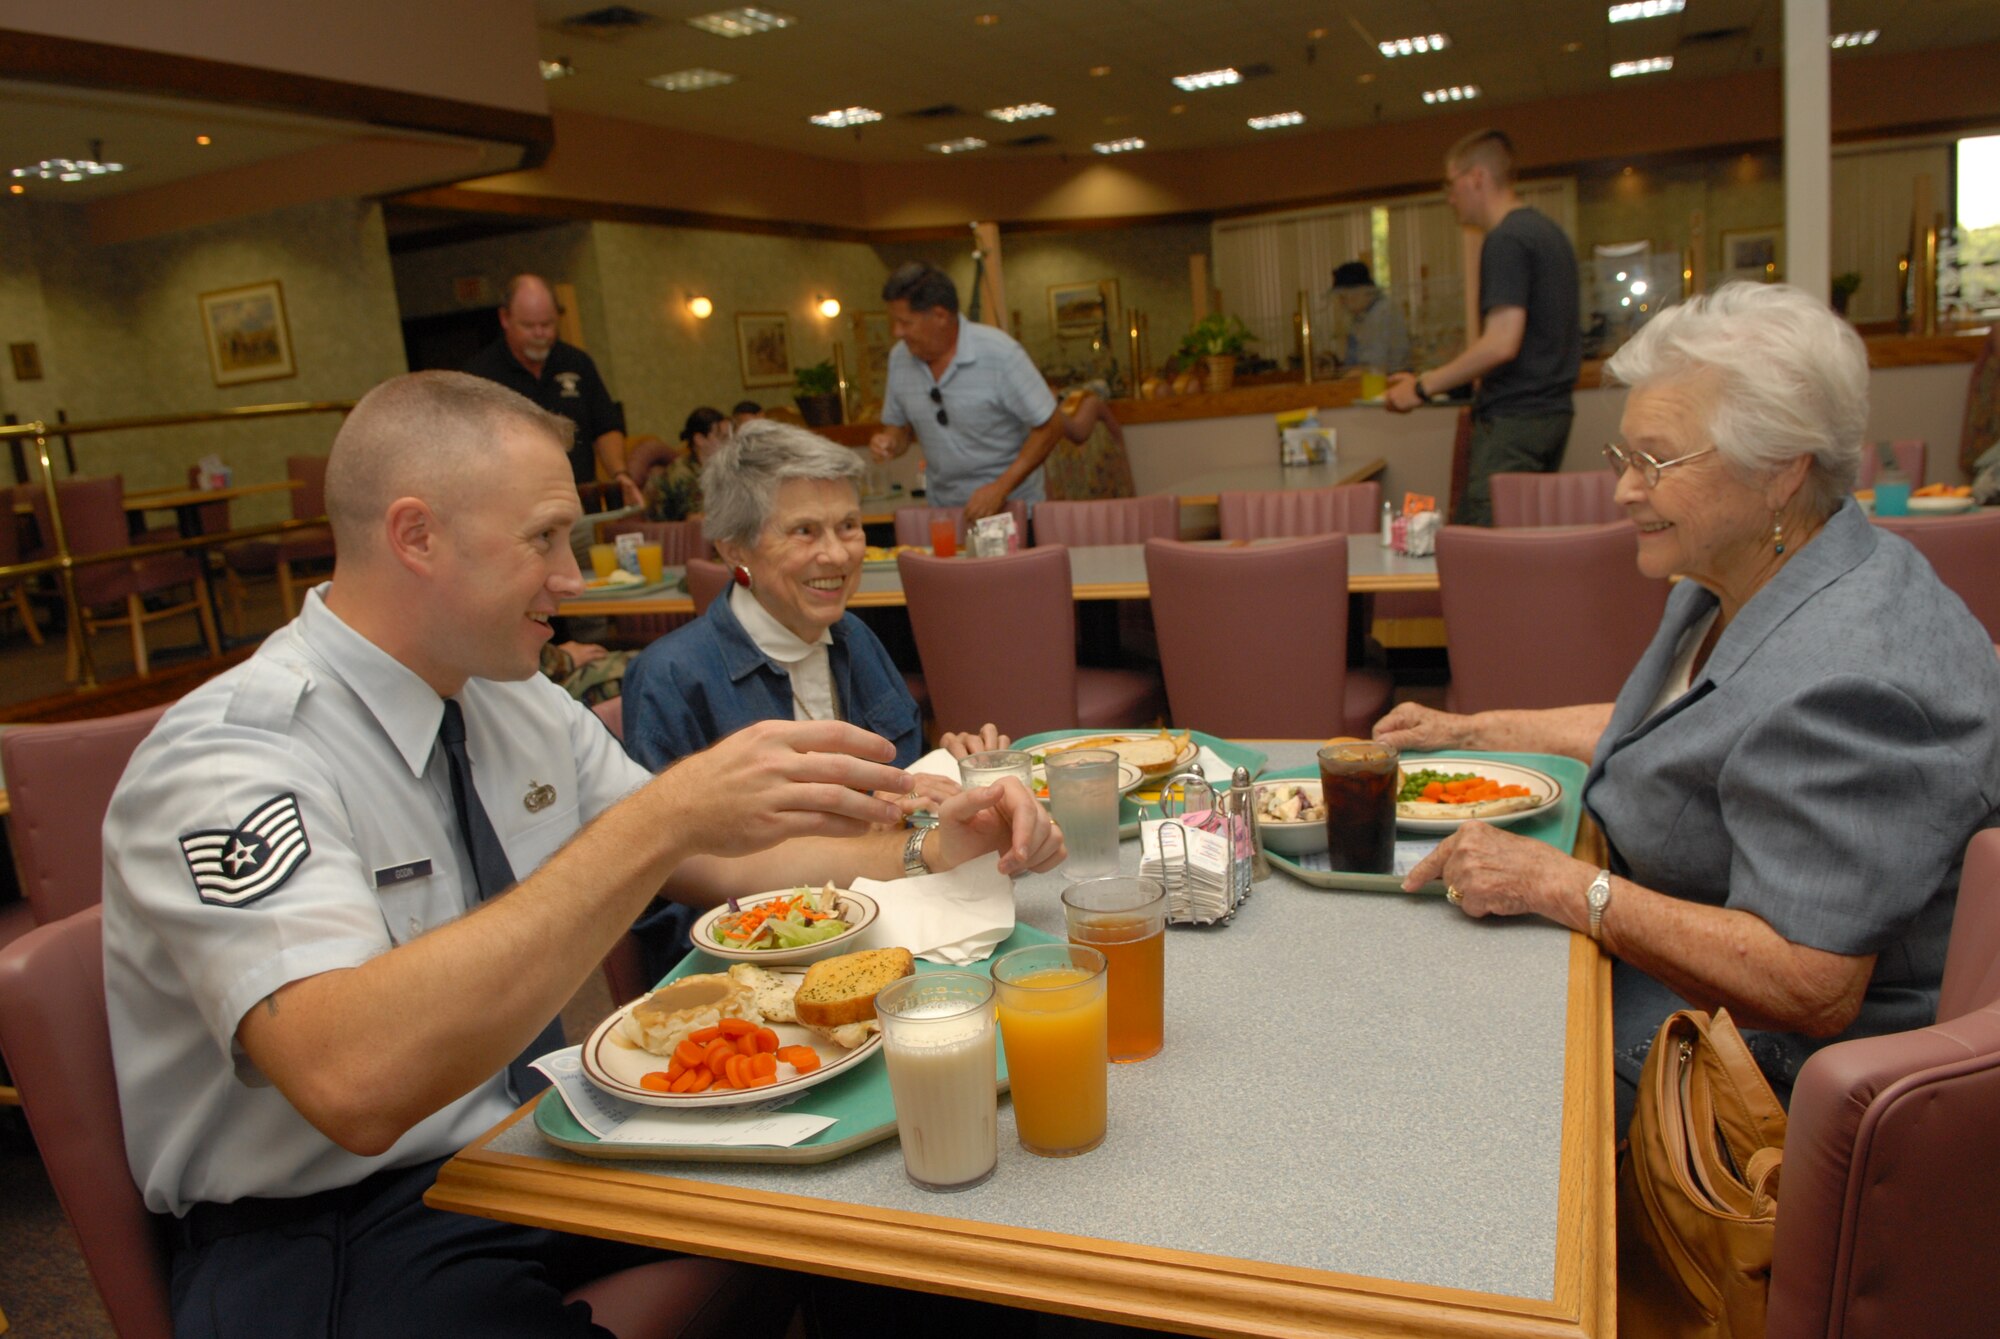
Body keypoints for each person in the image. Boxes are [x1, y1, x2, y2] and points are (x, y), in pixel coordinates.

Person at [99, 371, 1062, 1339]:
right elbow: (353, 1084)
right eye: (543, 537)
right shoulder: (234, 758)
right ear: (416, 535)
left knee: (907, 1216)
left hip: (522, 1135)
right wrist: (658, 821)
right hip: (331, 1218)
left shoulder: (507, 699)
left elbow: (716, 869)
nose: (572, 573)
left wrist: (927, 845)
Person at [1373, 283, 2000, 1132]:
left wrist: (1565, 887)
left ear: (1780, 469)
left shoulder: (1853, 678)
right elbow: (1666, 728)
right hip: (1691, 975)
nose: (1625, 490)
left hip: (1776, 1068)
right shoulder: (1744, 572)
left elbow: (1811, 983)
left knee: (1453, 1063)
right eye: (1622, 456)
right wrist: (1472, 730)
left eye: (1655, 463)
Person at [624, 419, 1007, 774]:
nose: (838, 555)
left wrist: (950, 764)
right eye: (804, 530)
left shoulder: (855, 638)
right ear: (735, 550)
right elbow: (665, 843)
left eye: (848, 526)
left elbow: (909, 778)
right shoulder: (672, 679)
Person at [1385, 129, 1581, 526]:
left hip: (1515, 425)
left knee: (1484, 553)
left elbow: (1501, 344)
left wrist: (1422, 389)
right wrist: (1435, 380)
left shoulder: (1506, 239)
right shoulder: (1548, 234)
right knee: (1524, 543)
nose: (1449, 197)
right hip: (1550, 417)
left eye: (1451, 183)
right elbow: (1527, 348)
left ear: (1477, 177)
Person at [868, 262, 1064, 521]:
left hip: (1013, 511)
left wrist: (1000, 487)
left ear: (939, 316)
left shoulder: (1000, 354)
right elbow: (900, 428)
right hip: (946, 514)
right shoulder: (899, 359)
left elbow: (1051, 425)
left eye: (906, 323)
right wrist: (890, 442)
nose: (897, 332)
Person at [463, 274, 641, 507]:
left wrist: (620, 474)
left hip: (579, 502)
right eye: (529, 326)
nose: (540, 334)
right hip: (516, 508)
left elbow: (605, 426)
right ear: (505, 318)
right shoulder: (481, 374)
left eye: (547, 324)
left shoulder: (577, 362)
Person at [643, 406, 731, 521]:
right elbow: (695, 520)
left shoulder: (719, 467)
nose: (730, 443)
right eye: (723, 438)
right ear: (700, 439)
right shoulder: (682, 473)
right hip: (672, 534)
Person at [1331, 260, 1412, 374]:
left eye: (1343, 297)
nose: (1342, 303)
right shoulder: (1362, 315)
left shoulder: (1382, 312)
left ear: (1358, 292)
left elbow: (1375, 364)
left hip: (1389, 380)